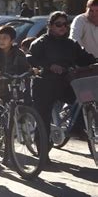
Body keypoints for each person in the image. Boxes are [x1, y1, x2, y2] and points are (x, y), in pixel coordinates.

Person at [29, 11, 96, 162]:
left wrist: (94, 61)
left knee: (84, 99)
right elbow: (31, 58)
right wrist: (49, 66)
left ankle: (78, 128)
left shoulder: (71, 44)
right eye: (58, 24)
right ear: (50, 26)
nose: (62, 27)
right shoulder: (40, 43)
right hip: (45, 84)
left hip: (67, 83)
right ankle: (43, 155)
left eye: (65, 24)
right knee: (43, 118)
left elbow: (85, 58)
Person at [0, 26, 30, 100]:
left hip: (13, 90)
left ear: (12, 40)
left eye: (4, 38)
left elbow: (25, 68)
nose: (1, 40)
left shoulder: (19, 53)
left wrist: (32, 71)